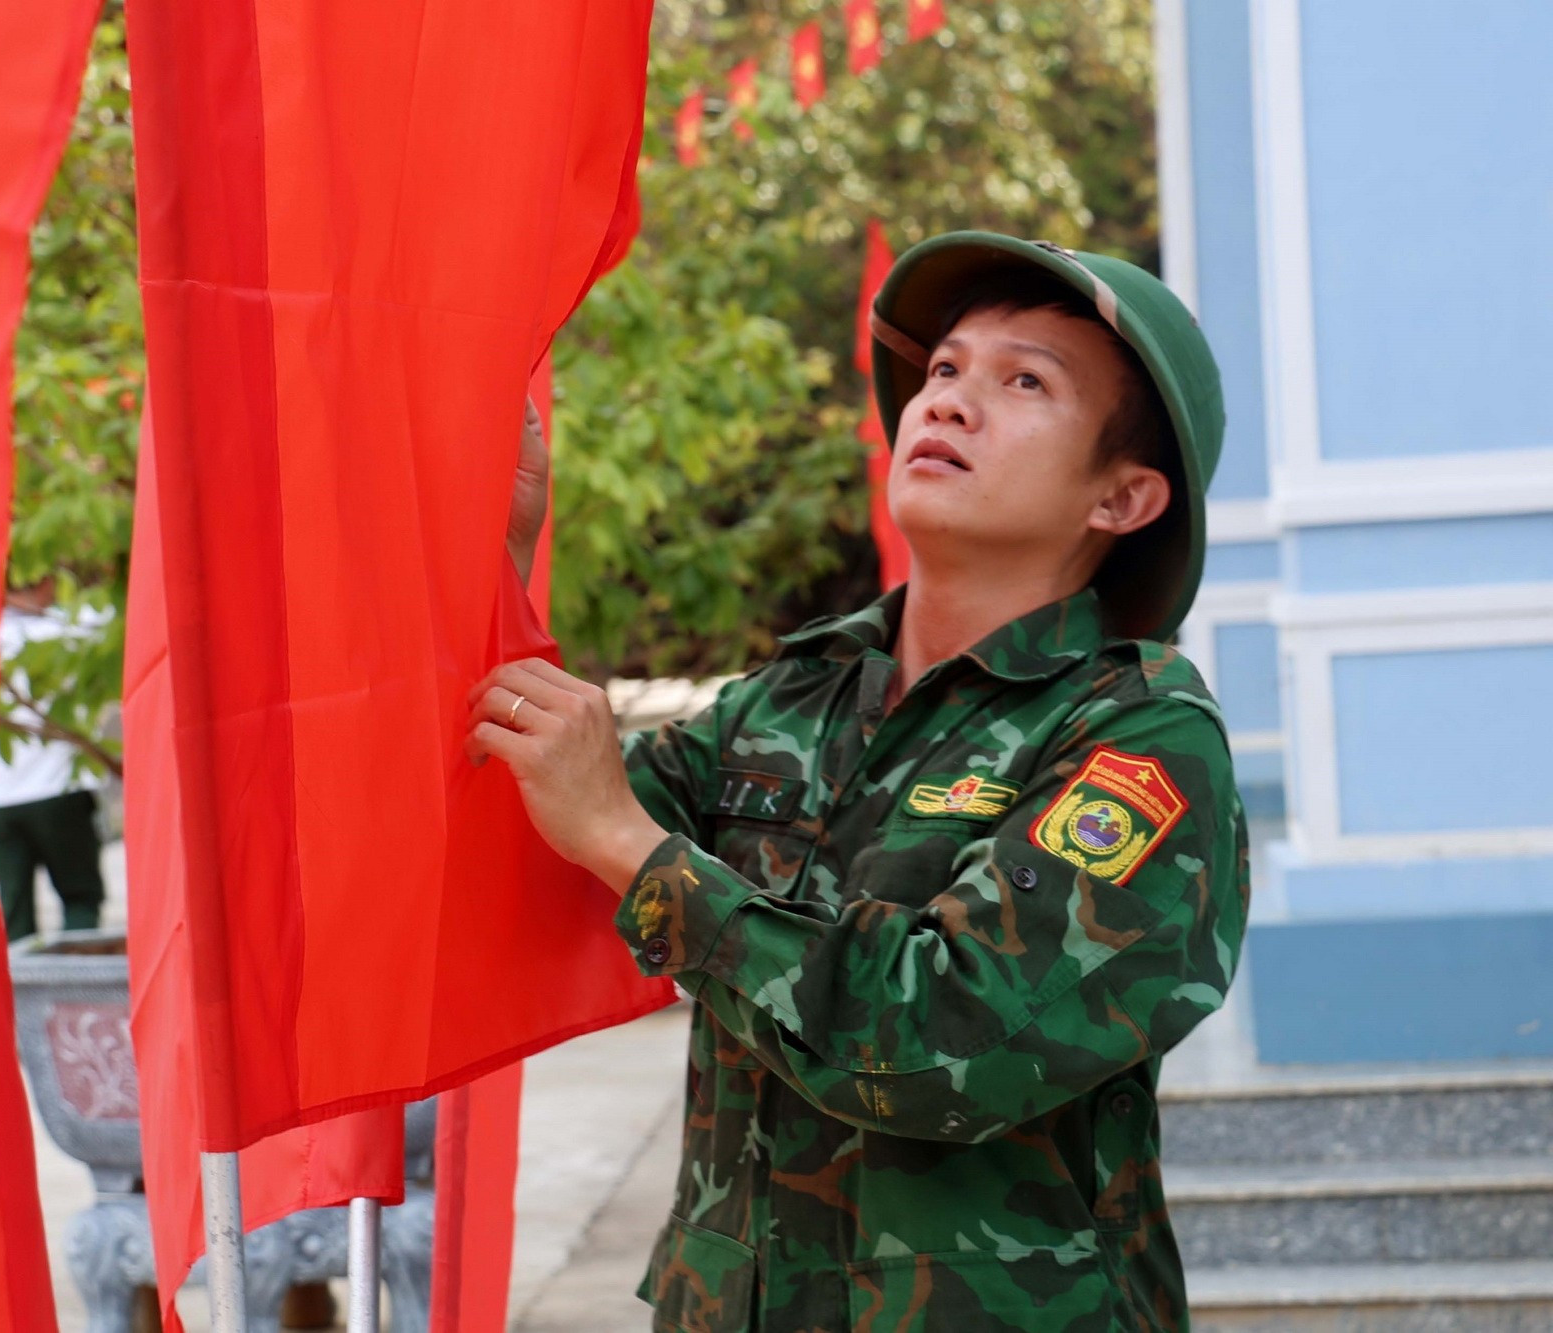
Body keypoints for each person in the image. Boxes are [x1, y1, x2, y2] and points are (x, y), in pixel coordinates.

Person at [470, 233, 1244, 1330]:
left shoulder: (1135, 738)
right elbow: (504, 832)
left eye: (1023, 380)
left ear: (1120, 499)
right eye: (942, 369)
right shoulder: (793, 700)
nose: (951, 401)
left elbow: (946, 1041)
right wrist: (486, 563)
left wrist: (632, 848)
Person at [0, 578, 108, 942]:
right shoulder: (64, 629)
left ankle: (25, 997)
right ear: (40, 586)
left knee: (15, 911)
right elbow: (107, 617)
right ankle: (77, 992)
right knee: (80, 899)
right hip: (60, 791)